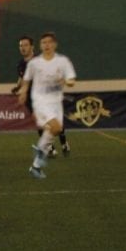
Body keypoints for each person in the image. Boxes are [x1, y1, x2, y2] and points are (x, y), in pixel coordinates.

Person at [19, 31, 76, 179]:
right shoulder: (34, 63)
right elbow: (26, 79)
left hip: (56, 102)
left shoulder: (63, 61)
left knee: (53, 131)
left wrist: (64, 81)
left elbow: (71, 80)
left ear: (55, 44)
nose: (47, 45)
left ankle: (36, 166)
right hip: (40, 101)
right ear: (40, 46)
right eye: (44, 43)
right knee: (56, 127)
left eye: (49, 42)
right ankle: (39, 150)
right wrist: (24, 92)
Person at [12, 35, 69, 158]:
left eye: (25, 45)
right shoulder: (21, 64)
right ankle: (50, 148)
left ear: (32, 47)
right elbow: (22, 78)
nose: (23, 48)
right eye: (21, 45)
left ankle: (64, 142)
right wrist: (17, 87)